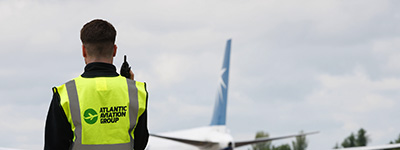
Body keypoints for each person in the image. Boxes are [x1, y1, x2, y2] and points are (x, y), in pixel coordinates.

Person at [44, 19, 149, 150]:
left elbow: (54, 146)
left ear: (83, 50)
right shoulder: (136, 92)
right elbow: (140, 143)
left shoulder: (65, 94)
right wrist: (129, 85)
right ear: (115, 50)